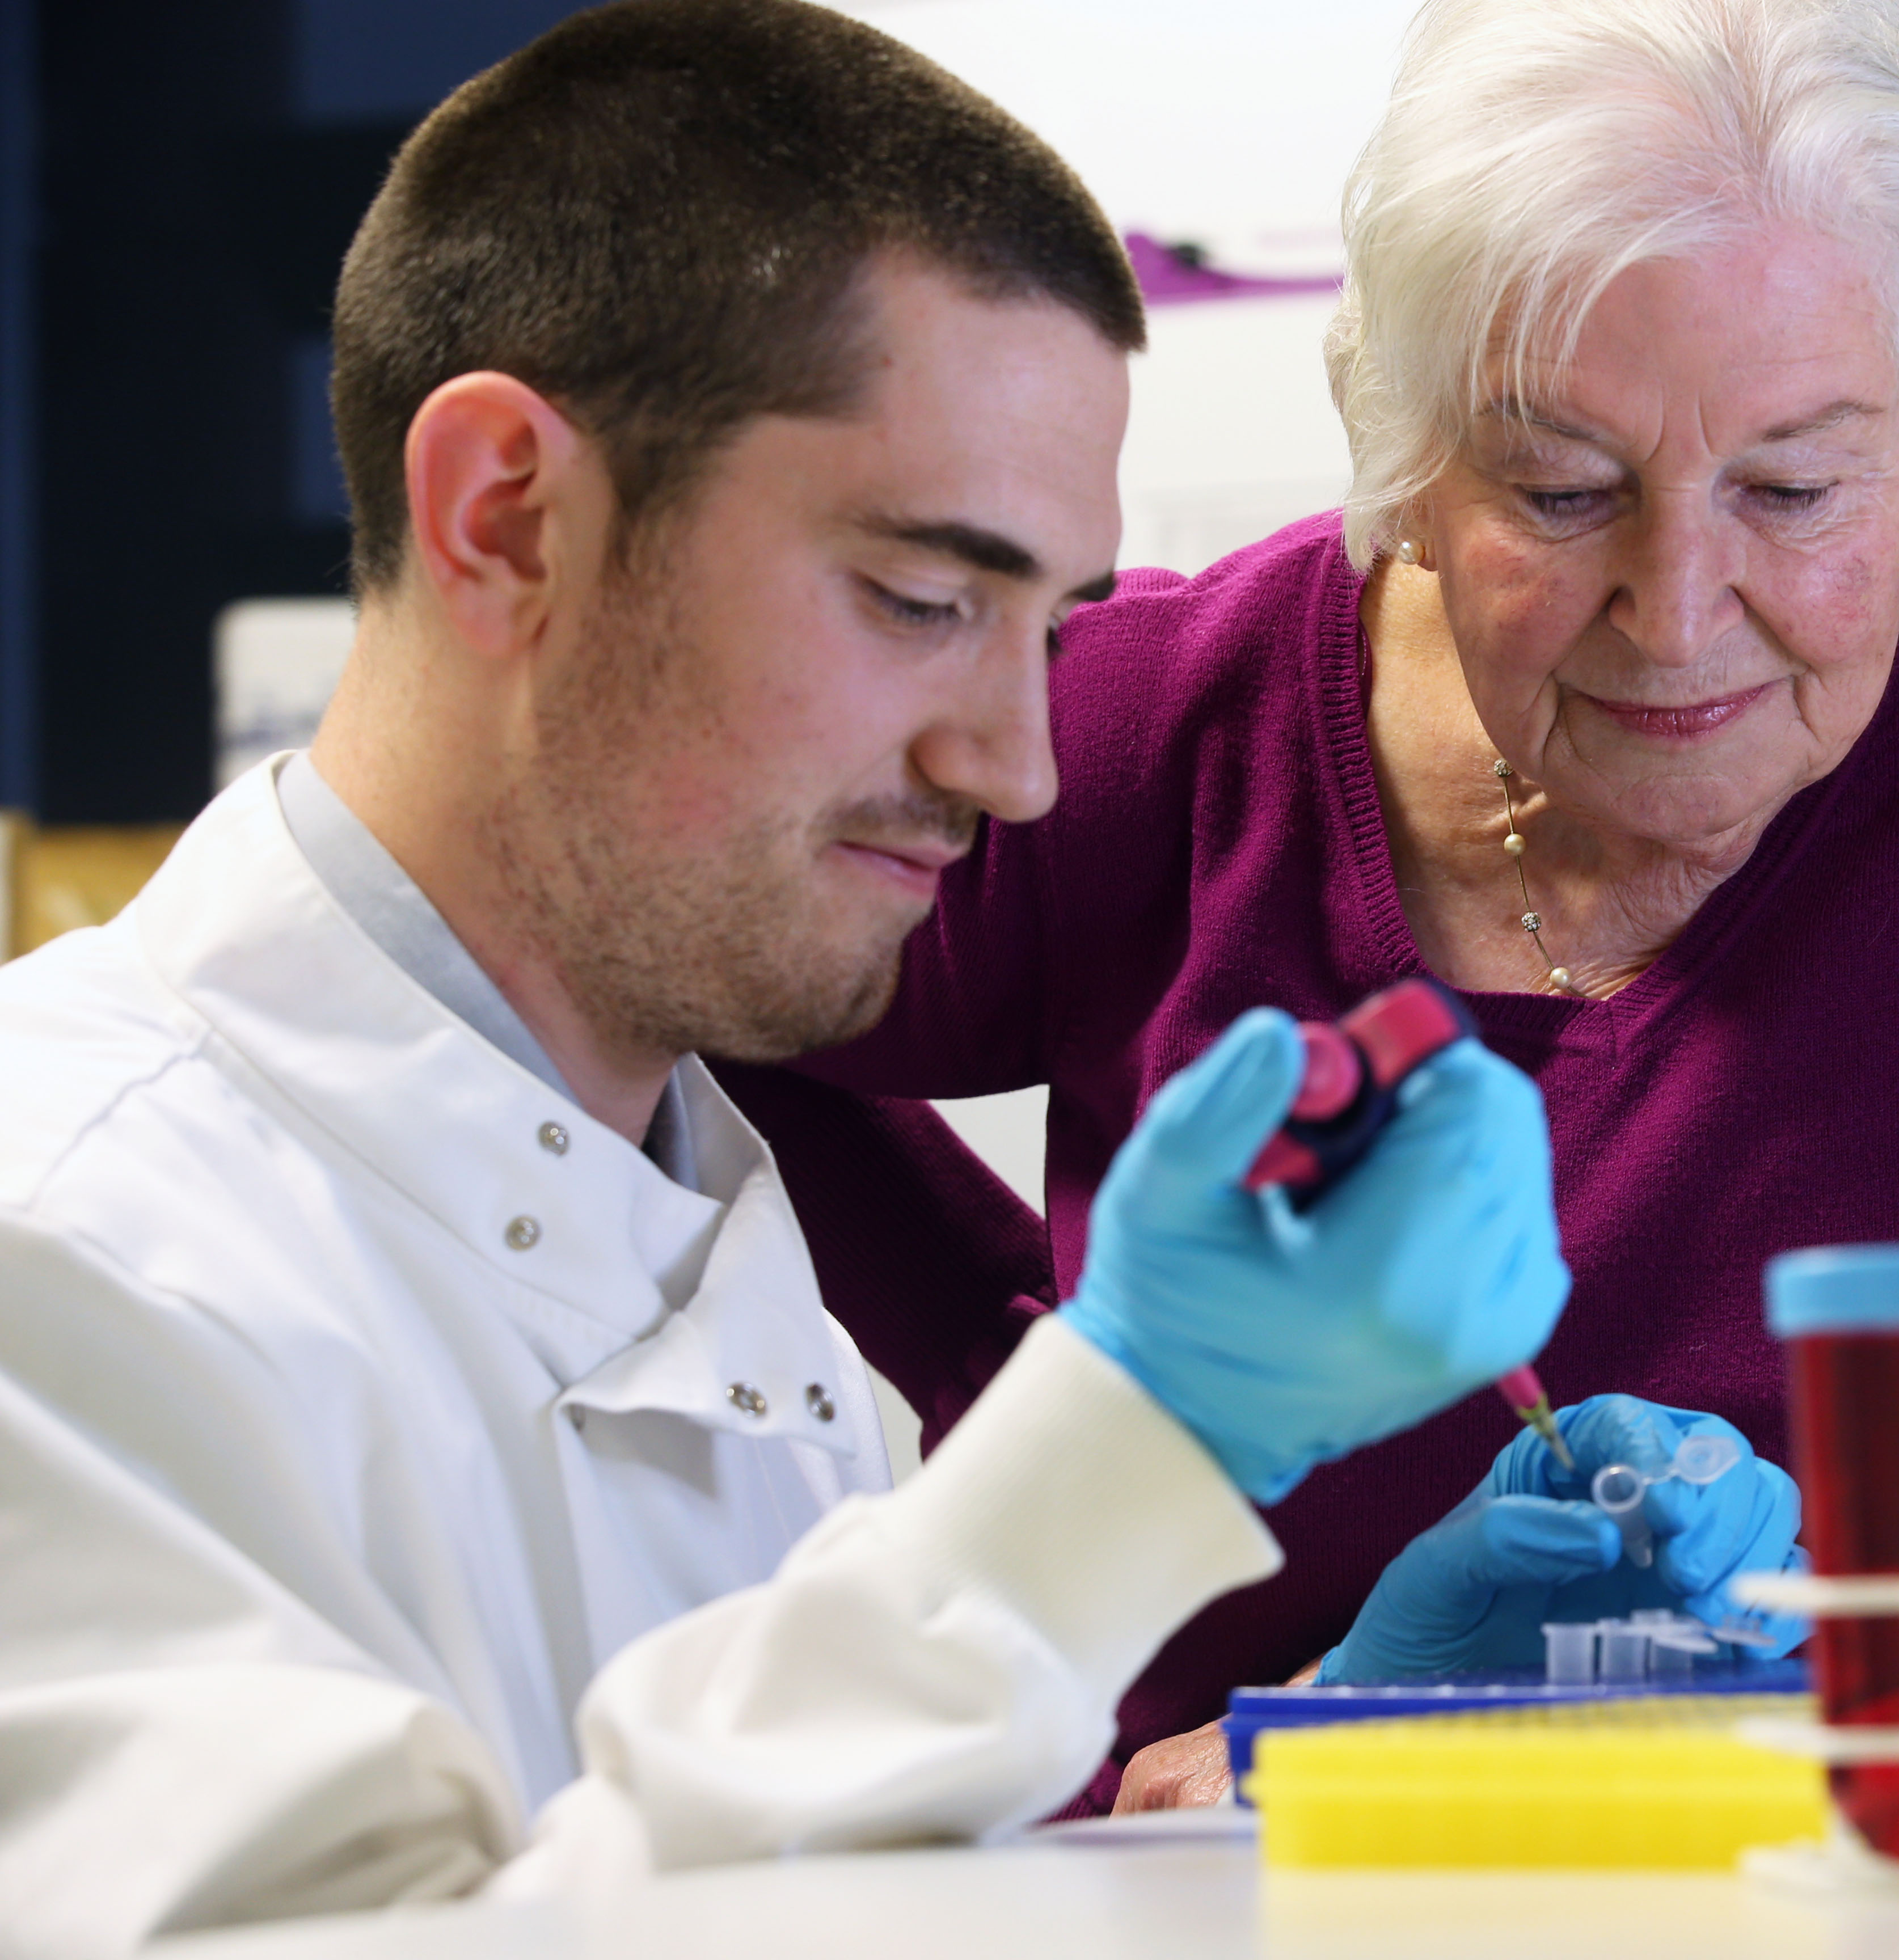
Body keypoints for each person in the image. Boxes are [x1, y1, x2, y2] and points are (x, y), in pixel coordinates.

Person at [0, 5, 1802, 1948]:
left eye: (1043, 629)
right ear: (509, 517)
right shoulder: (69, 1247)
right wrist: (1139, 1439)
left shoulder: (713, 1234)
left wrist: (1353, 1737)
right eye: (926, 603)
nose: (1016, 768)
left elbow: (825, 1875)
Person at [736, 0, 1899, 1813]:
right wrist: (1049, 1380)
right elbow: (711, 984)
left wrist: (1652, 1718)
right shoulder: (1146, 738)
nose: (1679, 610)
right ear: (1414, 474)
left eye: (1795, 485)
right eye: (1564, 490)